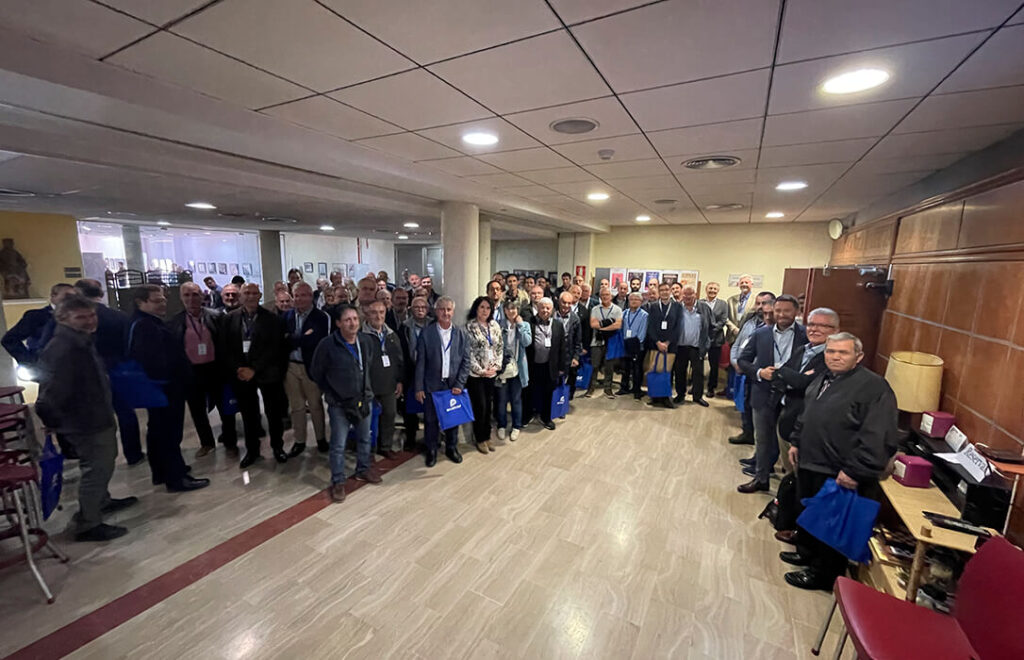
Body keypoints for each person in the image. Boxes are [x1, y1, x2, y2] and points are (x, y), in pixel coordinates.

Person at [783, 332, 898, 590]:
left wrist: (855, 470)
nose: (835, 357)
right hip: (810, 460)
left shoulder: (874, 387)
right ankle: (806, 555)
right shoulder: (824, 376)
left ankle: (822, 575)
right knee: (808, 513)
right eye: (830, 351)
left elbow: (878, 436)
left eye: (842, 352)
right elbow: (808, 413)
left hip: (839, 470)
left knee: (830, 525)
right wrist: (796, 440)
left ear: (859, 356)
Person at [36, 296, 138, 541]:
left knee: (103, 463)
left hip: (95, 415)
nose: (90, 321)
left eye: (91, 315)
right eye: (80, 317)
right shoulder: (64, 348)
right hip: (85, 422)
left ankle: (101, 501)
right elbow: (50, 394)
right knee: (96, 469)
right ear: (63, 318)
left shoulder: (80, 341)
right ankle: (88, 524)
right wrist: (53, 421)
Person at [129, 285, 210, 492]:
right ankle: (176, 478)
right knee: (169, 434)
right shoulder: (145, 326)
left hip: (163, 387)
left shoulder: (148, 322)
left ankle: (162, 471)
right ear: (141, 303)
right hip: (165, 387)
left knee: (158, 431)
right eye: (156, 301)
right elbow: (154, 362)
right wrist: (175, 378)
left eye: (163, 299)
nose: (163, 303)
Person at [737, 294, 807, 493]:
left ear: (796, 312)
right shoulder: (761, 334)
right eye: (778, 310)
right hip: (764, 392)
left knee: (787, 440)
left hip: (793, 396)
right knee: (763, 439)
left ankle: (791, 486)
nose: (782, 314)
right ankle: (761, 478)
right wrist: (760, 372)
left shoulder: (805, 335)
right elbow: (743, 360)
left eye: (787, 311)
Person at [310, 305, 380, 503]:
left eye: (355, 319)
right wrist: (332, 392)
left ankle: (363, 469)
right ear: (338, 323)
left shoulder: (366, 341)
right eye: (347, 320)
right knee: (338, 444)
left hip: (363, 399)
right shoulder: (327, 345)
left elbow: (368, 367)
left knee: (364, 438)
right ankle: (338, 481)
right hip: (339, 404)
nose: (353, 323)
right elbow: (317, 373)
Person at [73, 279, 144, 465]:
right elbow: (129, 343)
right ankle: (133, 453)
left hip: (88, 371)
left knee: (92, 415)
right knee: (125, 412)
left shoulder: (77, 319)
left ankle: (97, 457)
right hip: (119, 368)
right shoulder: (118, 316)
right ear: (101, 294)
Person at [220, 283, 290, 468]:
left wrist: (254, 369)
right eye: (247, 293)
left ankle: (278, 448)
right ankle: (252, 451)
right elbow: (225, 348)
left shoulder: (272, 319)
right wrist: (238, 368)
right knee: (249, 415)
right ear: (241, 296)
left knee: (273, 414)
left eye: (254, 293)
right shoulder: (229, 319)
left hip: (267, 373)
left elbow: (275, 349)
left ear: (260, 296)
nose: (250, 296)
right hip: (241, 374)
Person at [169, 282, 237, 459]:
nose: (191, 299)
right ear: (181, 298)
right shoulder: (175, 322)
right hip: (191, 372)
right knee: (197, 410)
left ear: (202, 296)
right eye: (187, 295)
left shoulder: (216, 316)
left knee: (225, 409)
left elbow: (227, 343)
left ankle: (230, 442)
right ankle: (207, 443)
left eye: (195, 294)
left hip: (216, 369)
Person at [414, 297, 470, 467]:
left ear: (453, 311)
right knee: (430, 420)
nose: (445, 313)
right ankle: (431, 449)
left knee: (453, 418)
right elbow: (421, 362)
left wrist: (460, 384)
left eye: (448, 309)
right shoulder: (427, 333)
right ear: (436, 311)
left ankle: (451, 448)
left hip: (452, 385)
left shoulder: (461, 333)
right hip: (432, 384)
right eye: (442, 309)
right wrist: (419, 387)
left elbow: (466, 362)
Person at [282, 282, 331, 458]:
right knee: (296, 406)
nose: (299, 299)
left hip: (311, 366)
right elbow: (282, 340)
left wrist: (292, 338)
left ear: (311, 296)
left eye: (303, 295)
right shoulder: (286, 316)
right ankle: (299, 441)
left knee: (315, 404)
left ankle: (321, 439)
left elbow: (315, 341)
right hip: (291, 366)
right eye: (296, 295)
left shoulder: (321, 317)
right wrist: (301, 337)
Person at [729, 291, 776, 446]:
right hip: (744, 369)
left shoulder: (772, 328)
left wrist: (748, 366)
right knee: (746, 403)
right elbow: (737, 344)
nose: (760, 307)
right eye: (758, 303)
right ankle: (747, 433)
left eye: (764, 303)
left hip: (759, 373)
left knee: (758, 408)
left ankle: (759, 440)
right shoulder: (749, 321)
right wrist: (736, 362)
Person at [362, 300, 404, 458]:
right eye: (374, 312)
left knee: (389, 415)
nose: (378, 316)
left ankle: (385, 446)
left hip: (389, 384)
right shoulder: (360, 336)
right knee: (366, 419)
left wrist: (399, 381)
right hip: (368, 385)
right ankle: (367, 450)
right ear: (367, 314)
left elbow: (399, 360)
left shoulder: (392, 335)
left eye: (381, 312)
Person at [1, 282, 74, 368]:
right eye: (67, 296)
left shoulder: (80, 316)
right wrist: (29, 363)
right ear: (53, 296)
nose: (72, 299)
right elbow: (10, 339)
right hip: (48, 368)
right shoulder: (36, 316)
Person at [464, 296, 503, 454]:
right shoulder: (470, 327)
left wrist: (496, 367)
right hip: (476, 375)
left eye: (488, 308)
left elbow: (499, 348)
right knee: (480, 407)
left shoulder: (494, 325)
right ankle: (480, 438)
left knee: (489, 407)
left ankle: (487, 436)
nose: (485, 311)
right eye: (482, 307)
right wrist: (481, 370)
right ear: (476, 308)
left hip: (491, 374)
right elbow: (468, 352)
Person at [527, 297, 569, 430]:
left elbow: (562, 347)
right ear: (537, 309)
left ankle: (546, 417)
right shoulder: (529, 322)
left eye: (548, 308)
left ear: (552, 310)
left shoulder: (558, 325)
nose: (545, 310)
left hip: (550, 365)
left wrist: (562, 367)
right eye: (542, 307)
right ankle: (529, 414)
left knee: (548, 392)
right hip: (533, 364)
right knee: (531, 391)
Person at [496, 299, 531, 441]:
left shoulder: (525, 325)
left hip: (518, 367)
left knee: (516, 399)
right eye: (509, 309)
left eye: (514, 309)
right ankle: (501, 425)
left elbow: (527, 342)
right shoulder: (498, 325)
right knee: (501, 399)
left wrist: (520, 325)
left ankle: (516, 426)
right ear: (504, 311)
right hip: (503, 368)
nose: (512, 311)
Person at [672, 284, 712, 407]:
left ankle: (697, 396)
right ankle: (680, 394)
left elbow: (711, 327)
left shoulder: (704, 307)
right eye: (685, 294)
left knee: (698, 373)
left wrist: (707, 343)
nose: (688, 297)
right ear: (681, 295)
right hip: (680, 346)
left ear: (695, 294)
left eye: (690, 294)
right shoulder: (677, 307)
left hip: (697, 347)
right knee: (679, 372)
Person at [399, 296, 430, 448]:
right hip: (410, 371)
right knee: (410, 408)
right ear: (411, 309)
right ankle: (410, 437)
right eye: (417, 307)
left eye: (423, 307)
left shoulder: (433, 325)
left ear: (428, 309)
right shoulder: (404, 327)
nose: (420, 310)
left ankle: (430, 439)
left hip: (430, 372)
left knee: (429, 408)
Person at [644, 283, 681, 408]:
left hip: (670, 345)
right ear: (659, 292)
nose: (664, 292)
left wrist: (667, 342)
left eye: (667, 290)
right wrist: (658, 342)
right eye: (662, 290)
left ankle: (666, 397)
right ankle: (654, 397)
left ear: (670, 291)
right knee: (655, 370)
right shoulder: (653, 306)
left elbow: (678, 326)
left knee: (667, 371)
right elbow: (650, 326)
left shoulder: (677, 306)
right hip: (655, 344)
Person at [585, 287, 622, 399]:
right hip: (596, 341)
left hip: (611, 342)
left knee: (609, 366)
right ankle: (591, 388)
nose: (605, 297)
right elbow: (593, 324)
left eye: (607, 295)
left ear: (611, 296)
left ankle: (608, 389)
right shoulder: (595, 309)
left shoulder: (617, 309)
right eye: (603, 295)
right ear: (600, 297)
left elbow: (618, 325)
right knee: (594, 366)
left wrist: (601, 327)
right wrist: (609, 322)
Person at [616, 292, 649, 399]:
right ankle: (624, 387)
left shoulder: (644, 315)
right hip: (625, 343)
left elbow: (642, 333)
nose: (633, 301)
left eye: (636, 299)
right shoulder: (624, 313)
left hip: (637, 344)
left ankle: (637, 389)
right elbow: (621, 328)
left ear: (641, 302)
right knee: (625, 367)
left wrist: (636, 343)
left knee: (637, 368)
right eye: (631, 299)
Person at [702, 282, 729, 398]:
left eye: (714, 289)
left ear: (718, 291)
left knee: (714, 365)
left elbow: (723, 320)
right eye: (710, 288)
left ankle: (711, 388)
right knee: (697, 364)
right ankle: (696, 386)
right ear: (706, 289)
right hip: (701, 338)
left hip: (716, 339)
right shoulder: (700, 303)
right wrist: (704, 330)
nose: (712, 290)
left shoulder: (723, 304)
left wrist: (711, 329)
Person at [555, 291, 582, 401]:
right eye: (564, 302)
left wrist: (576, 357)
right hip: (553, 355)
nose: (566, 305)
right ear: (559, 302)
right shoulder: (552, 315)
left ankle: (564, 403)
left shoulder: (575, 319)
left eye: (569, 303)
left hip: (568, 354)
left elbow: (578, 340)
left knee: (568, 382)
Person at [726, 274, 755, 342]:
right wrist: (733, 328)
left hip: (749, 336)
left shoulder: (756, 300)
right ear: (738, 285)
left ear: (751, 284)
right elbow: (725, 317)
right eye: (742, 283)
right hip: (732, 336)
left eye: (746, 282)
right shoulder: (730, 300)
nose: (744, 284)